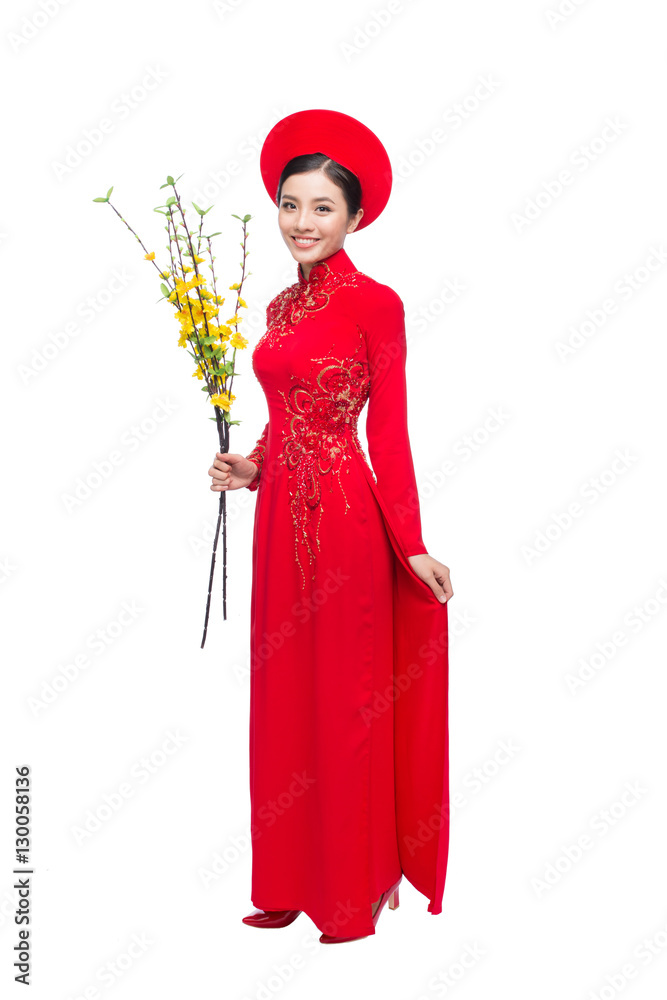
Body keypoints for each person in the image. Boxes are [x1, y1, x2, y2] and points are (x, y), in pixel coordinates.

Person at [207, 109, 453, 944]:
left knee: (347, 703)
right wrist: (252, 466)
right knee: (283, 699)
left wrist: (411, 545)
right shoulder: (279, 306)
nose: (301, 222)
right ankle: (286, 877)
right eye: (289, 204)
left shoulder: (376, 305)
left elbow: (387, 433)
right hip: (278, 519)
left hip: (345, 519)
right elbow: (288, 419)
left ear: (353, 218)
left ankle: (353, 889)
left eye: (320, 208)